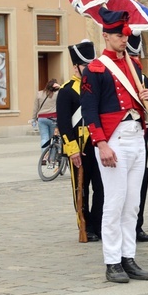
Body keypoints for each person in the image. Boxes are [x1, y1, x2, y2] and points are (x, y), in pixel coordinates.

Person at [80, 7, 148, 284]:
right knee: (114, 201)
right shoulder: (96, 68)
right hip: (114, 139)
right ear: (106, 36)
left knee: (132, 204)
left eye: (125, 35)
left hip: (136, 135)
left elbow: (139, 103)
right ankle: (112, 261)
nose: (125, 39)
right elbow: (89, 109)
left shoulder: (134, 66)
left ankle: (128, 257)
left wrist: (144, 97)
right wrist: (100, 143)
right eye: (120, 35)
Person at [57, 39, 103, 243]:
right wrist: (72, 150)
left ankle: (100, 223)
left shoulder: (96, 87)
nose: (88, 68)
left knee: (102, 188)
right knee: (81, 189)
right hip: (79, 147)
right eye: (85, 65)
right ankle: (85, 225)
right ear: (76, 66)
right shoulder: (66, 90)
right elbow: (64, 123)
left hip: (97, 145)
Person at [126, 32, 148, 243]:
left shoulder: (143, 78)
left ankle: (137, 226)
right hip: (117, 137)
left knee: (141, 185)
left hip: (140, 136)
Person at [33, 78, 60, 153]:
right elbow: (65, 91)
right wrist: (60, 86)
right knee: (53, 139)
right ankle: (52, 158)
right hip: (53, 119)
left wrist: (33, 119)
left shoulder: (39, 94)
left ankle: (44, 156)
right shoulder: (57, 94)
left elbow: (35, 108)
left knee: (44, 138)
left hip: (42, 118)